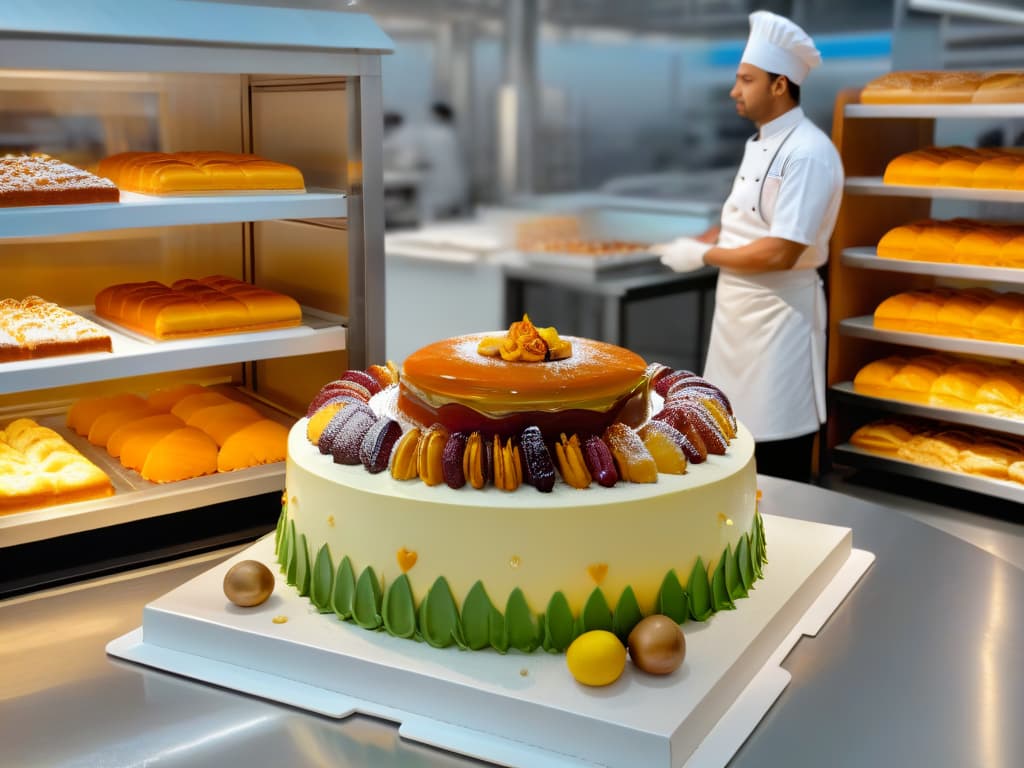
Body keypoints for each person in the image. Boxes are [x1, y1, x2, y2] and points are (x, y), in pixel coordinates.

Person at [653, 10, 844, 483]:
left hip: (779, 324)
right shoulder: (761, 142)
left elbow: (781, 252)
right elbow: (751, 221)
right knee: (730, 444)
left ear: (780, 85)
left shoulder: (808, 152)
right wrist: (704, 239)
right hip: (738, 322)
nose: (734, 91)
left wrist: (701, 256)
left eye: (746, 80)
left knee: (775, 460)